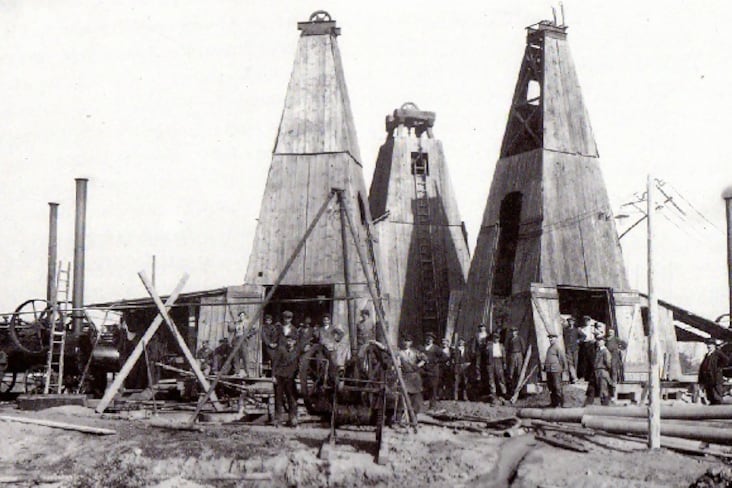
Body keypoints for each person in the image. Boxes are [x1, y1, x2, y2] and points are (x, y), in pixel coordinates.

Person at [271, 334, 303, 427]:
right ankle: (278, 420)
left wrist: (298, 375)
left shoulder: (297, 351)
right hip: (279, 377)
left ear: (295, 342)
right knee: (278, 399)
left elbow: (300, 363)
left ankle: (292, 420)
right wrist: (273, 376)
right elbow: (275, 363)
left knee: (292, 399)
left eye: (291, 341)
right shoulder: (281, 349)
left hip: (290, 378)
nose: (289, 343)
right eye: (288, 341)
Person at [398, 336, 425, 416]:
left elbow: (425, 359)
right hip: (405, 376)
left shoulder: (415, 352)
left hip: (415, 377)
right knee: (404, 396)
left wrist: (418, 365)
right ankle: (402, 415)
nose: (406, 343)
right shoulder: (400, 353)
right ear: (402, 342)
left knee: (415, 397)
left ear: (411, 343)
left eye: (408, 341)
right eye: (405, 341)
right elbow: (389, 352)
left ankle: (413, 415)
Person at [698, 338, 729, 405]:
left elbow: (726, 360)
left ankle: (719, 408)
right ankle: (713, 407)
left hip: (715, 378)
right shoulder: (707, 355)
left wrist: (718, 368)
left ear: (714, 345)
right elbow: (703, 366)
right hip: (708, 379)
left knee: (717, 395)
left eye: (710, 344)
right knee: (710, 395)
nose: (708, 346)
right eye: (707, 344)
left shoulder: (717, 353)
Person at [421, 332, 446, 410]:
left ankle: (432, 405)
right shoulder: (421, 348)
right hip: (423, 371)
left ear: (433, 340)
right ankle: (420, 406)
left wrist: (436, 361)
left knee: (433, 388)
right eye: (427, 338)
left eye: (430, 339)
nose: (429, 340)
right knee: (422, 388)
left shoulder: (436, 348)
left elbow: (445, 357)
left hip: (433, 371)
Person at [544, 333, 567, 407]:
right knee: (551, 387)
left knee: (557, 387)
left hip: (555, 370)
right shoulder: (549, 348)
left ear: (556, 339)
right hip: (549, 370)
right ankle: (554, 403)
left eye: (552, 338)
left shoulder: (557, 347)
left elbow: (562, 358)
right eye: (549, 338)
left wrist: (563, 368)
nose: (550, 339)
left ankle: (560, 403)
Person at [591, 336, 613, 406]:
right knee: (600, 388)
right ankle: (602, 402)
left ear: (604, 342)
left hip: (602, 370)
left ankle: (605, 403)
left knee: (603, 388)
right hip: (597, 371)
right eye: (598, 341)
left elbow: (608, 362)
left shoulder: (605, 351)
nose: (599, 342)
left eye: (600, 341)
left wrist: (607, 369)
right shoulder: (598, 350)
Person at [485, 332, 507, 403]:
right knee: (491, 378)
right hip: (491, 362)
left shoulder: (501, 346)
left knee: (500, 377)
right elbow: (486, 354)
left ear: (499, 339)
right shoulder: (489, 345)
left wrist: (504, 363)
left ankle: (503, 393)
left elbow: (504, 355)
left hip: (499, 361)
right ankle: (493, 394)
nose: (496, 339)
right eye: (494, 338)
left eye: (497, 338)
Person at [605, 328, 627, 397]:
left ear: (614, 333)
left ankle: (614, 384)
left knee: (614, 369)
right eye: (609, 332)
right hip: (607, 355)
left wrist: (619, 348)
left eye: (611, 332)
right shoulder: (607, 339)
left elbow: (624, 344)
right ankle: (609, 384)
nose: (610, 333)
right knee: (608, 369)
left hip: (614, 355)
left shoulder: (616, 339)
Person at [472, 324, 490, 395]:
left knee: (485, 364)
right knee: (477, 364)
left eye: (483, 327)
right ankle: (478, 376)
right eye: (480, 327)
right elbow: (474, 344)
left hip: (485, 351)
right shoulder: (477, 335)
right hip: (479, 351)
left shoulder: (487, 335)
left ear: (485, 328)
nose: (482, 328)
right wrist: (473, 350)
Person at [506, 327, 526, 393]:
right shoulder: (510, 339)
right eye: (512, 331)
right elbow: (508, 348)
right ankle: (511, 388)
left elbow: (523, 347)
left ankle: (519, 388)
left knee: (519, 371)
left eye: (514, 331)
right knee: (511, 371)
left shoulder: (520, 338)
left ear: (517, 332)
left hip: (519, 354)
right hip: (512, 355)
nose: (513, 333)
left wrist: (522, 355)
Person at [577, 315, 596, 381]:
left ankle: (592, 376)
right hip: (583, 344)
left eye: (587, 320)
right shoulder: (580, 328)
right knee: (584, 360)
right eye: (585, 320)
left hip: (591, 344)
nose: (586, 322)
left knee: (591, 360)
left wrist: (595, 339)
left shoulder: (592, 328)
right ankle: (584, 376)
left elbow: (599, 334)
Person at [562, 316, 579, 383]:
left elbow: (584, 336)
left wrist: (579, 340)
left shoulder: (576, 330)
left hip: (575, 348)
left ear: (574, 322)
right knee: (570, 363)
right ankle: (573, 377)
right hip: (568, 348)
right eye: (569, 321)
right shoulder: (565, 330)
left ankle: (574, 376)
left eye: (572, 321)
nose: (570, 322)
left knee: (575, 363)